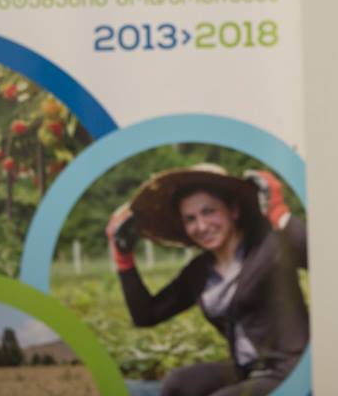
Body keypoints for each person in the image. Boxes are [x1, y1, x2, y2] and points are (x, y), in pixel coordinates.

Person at [107, 164, 308, 396]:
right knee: (178, 382)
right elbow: (146, 315)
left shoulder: (270, 246)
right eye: (190, 219)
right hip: (247, 370)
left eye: (209, 211)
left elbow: (322, 261)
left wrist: (279, 212)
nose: (201, 226)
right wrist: (124, 259)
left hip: (293, 370)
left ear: (233, 210)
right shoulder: (200, 272)